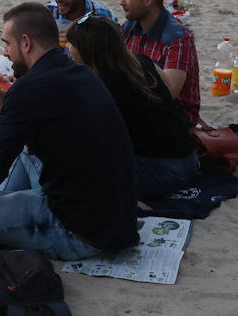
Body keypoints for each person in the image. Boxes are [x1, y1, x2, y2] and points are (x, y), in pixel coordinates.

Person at [0, 3, 139, 260]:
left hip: (77, 231)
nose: (5, 53)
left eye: (7, 44)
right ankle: (5, 202)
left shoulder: (30, 89)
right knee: (23, 151)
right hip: (116, 218)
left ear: (25, 43)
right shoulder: (79, 72)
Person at [66, 15, 198, 198]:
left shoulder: (106, 84)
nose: (68, 48)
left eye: (72, 44)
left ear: (88, 50)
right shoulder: (138, 61)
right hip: (187, 158)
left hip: (166, 169)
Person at [120, 0, 201, 127]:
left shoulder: (177, 38)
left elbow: (169, 92)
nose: (121, 2)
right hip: (140, 107)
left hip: (174, 117)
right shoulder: (129, 28)